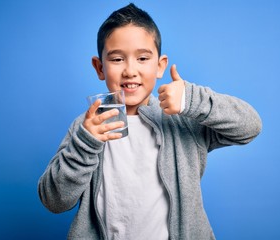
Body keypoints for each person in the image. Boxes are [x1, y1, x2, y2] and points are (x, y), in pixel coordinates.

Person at [38, 3, 262, 240]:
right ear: (99, 67)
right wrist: (86, 143)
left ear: (160, 66)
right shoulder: (87, 127)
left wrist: (192, 99)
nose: (130, 70)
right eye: (117, 59)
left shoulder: (182, 121)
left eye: (143, 58)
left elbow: (250, 127)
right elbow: (54, 201)